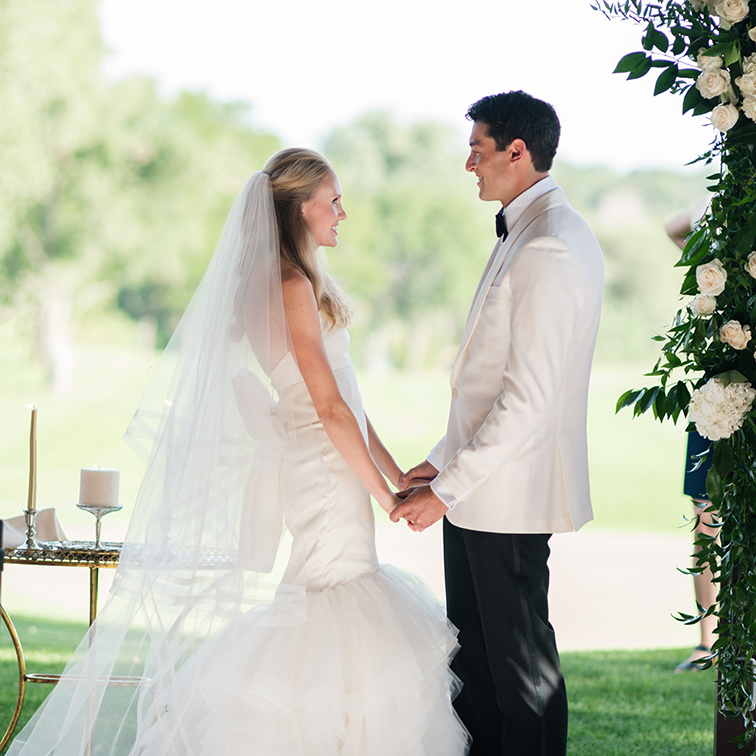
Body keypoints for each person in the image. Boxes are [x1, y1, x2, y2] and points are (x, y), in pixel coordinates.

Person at [7, 149, 469, 756]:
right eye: (333, 200)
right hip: (326, 472)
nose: (343, 213)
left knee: (334, 596)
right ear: (301, 207)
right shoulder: (287, 282)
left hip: (332, 460)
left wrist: (393, 470)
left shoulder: (282, 277)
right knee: (335, 599)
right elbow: (328, 407)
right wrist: (386, 497)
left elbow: (345, 400)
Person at [392, 91, 604, 756]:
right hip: (480, 493)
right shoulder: (529, 229)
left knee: (521, 676)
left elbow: (528, 399)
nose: (468, 165)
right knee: (476, 671)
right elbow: (488, 385)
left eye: (477, 151)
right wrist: (441, 459)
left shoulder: (550, 245)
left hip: (507, 499)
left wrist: (447, 488)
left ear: (518, 152)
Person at [666, 207, 718, 673]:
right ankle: (707, 642)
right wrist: (718, 212)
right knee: (705, 522)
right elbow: (673, 227)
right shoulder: (718, 259)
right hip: (715, 403)